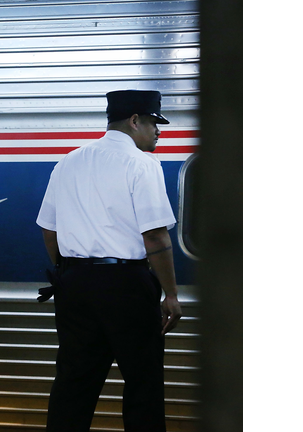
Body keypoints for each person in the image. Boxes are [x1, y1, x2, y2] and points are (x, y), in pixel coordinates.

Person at [35, 90, 182, 432]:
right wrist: (171, 295)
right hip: (126, 285)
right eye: (153, 123)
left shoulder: (69, 161)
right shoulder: (141, 163)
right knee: (143, 384)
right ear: (134, 121)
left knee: (74, 384)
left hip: (73, 285)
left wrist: (68, 271)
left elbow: (48, 228)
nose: (158, 131)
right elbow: (156, 237)